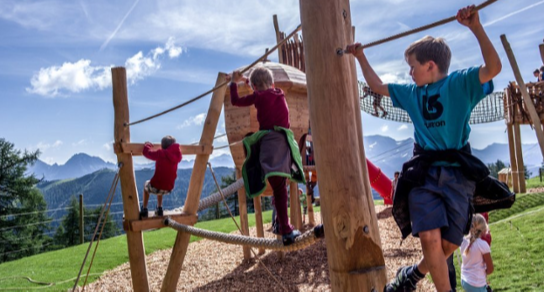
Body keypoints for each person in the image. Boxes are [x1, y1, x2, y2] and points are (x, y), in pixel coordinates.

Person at [347, 5, 504, 292]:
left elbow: (494, 68)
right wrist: (360, 56)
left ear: (430, 65)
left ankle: (413, 274)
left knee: (450, 243)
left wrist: (476, 28)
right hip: (423, 174)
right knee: (430, 239)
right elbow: (377, 85)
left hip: (458, 174)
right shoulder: (412, 94)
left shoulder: (461, 83)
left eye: (413, 66)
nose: (409, 72)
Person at [227, 67, 305, 246]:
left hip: (270, 146)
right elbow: (262, 89)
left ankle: (284, 228)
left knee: (278, 188)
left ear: (254, 87)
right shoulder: (280, 93)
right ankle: (283, 226)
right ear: (273, 84)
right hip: (283, 144)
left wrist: (233, 82)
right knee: (280, 188)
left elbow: (236, 101)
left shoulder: (258, 97)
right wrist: (248, 81)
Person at [140, 135, 182, 218]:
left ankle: (144, 209)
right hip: (168, 188)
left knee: (146, 185)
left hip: (157, 186)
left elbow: (147, 153)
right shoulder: (177, 156)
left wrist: (147, 145)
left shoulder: (161, 153)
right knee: (162, 183)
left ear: (163, 146)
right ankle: (159, 208)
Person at [460, 214, 494, 292]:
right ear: (484, 229)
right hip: (476, 284)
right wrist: (482, 274)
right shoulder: (483, 245)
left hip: (465, 281)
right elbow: (490, 269)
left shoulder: (463, 241)